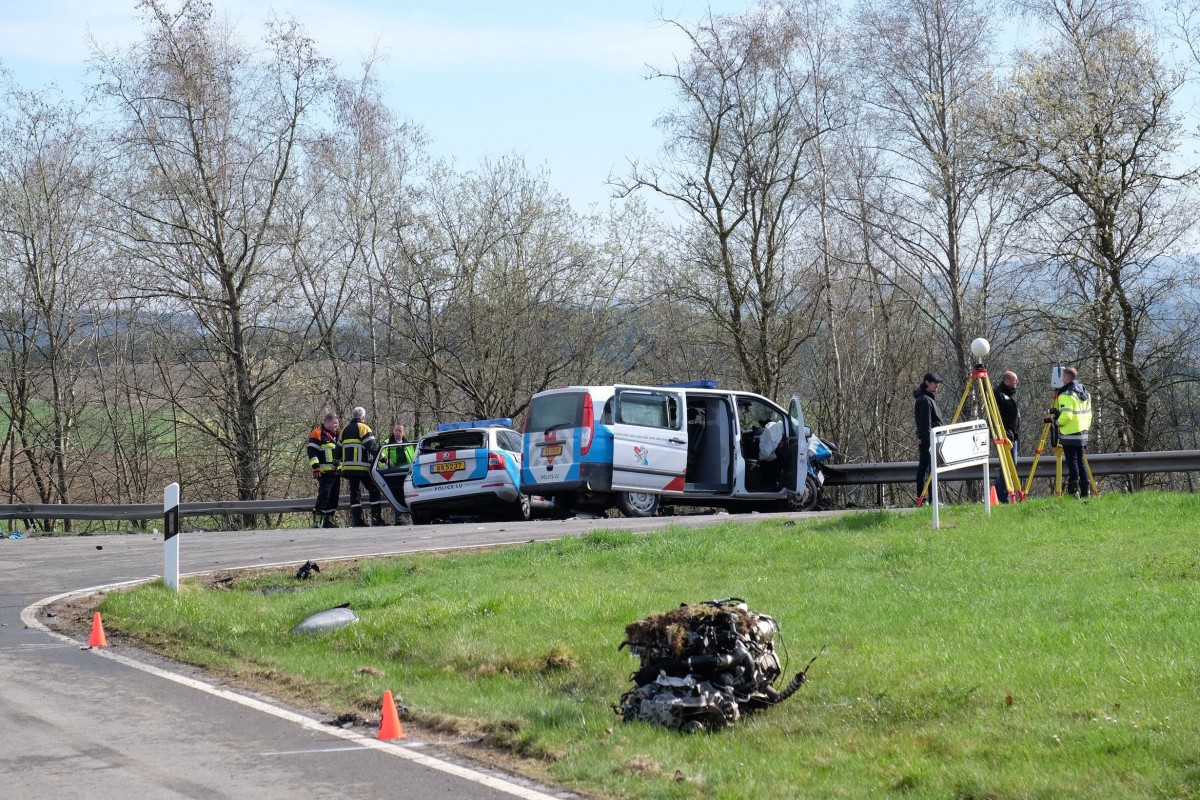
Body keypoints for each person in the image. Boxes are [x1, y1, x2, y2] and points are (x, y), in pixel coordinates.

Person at [339, 406, 387, 526]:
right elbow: (372, 447)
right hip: (362, 468)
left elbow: (338, 449)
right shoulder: (364, 428)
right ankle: (376, 519)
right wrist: (384, 459)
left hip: (349, 469)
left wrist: (335, 464)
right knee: (374, 490)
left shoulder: (344, 430)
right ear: (363, 417)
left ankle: (357, 521)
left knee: (355, 493)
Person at [1054, 366, 1092, 497]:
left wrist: (1056, 422)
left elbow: (1067, 416)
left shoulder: (1066, 395)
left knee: (1072, 463)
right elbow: (1089, 414)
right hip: (1082, 432)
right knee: (1081, 462)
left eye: (1062, 377)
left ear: (1066, 378)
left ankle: (1072, 491)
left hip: (1070, 434)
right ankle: (1085, 492)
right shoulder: (1084, 392)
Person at [913, 371, 946, 500]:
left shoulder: (927, 398)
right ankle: (931, 501)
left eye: (938, 383)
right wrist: (930, 441)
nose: (937, 385)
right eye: (935, 383)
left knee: (924, 469)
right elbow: (925, 425)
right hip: (929, 440)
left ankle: (923, 500)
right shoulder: (925, 400)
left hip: (930, 439)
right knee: (930, 471)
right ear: (927, 382)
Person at [306, 413, 341, 528]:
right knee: (324, 496)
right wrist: (316, 467)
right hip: (324, 473)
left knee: (334, 497)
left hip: (337, 472)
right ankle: (317, 520)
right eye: (334, 423)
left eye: (337, 423)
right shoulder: (317, 434)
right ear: (327, 422)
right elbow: (311, 452)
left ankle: (329, 520)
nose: (337, 425)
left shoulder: (338, 435)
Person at [992, 371, 1021, 503]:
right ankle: (1002, 495)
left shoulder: (1009, 394)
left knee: (1011, 465)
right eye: (1015, 380)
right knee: (1007, 466)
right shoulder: (999, 394)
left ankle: (1000, 494)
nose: (1017, 382)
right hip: (1005, 436)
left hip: (1012, 435)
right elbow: (994, 417)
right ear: (1007, 381)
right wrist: (999, 434)